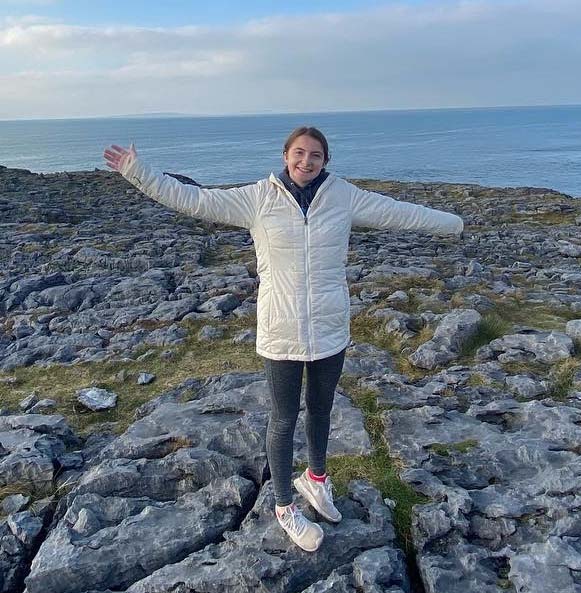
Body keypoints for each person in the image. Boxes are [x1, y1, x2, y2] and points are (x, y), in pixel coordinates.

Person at [103, 126, 463, 553]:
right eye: (299, 153)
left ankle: (315, 480)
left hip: (330, 328)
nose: (306, 162)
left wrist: (453, 224)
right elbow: (194, 199)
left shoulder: (344, 197)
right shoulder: (258, 198)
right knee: (283, 419)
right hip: (281, 331)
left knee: (322, 411)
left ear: (326, 160)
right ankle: (283, 505)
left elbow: (400, 212)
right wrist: (137, 171)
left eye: (315, 155)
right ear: (285, 154)